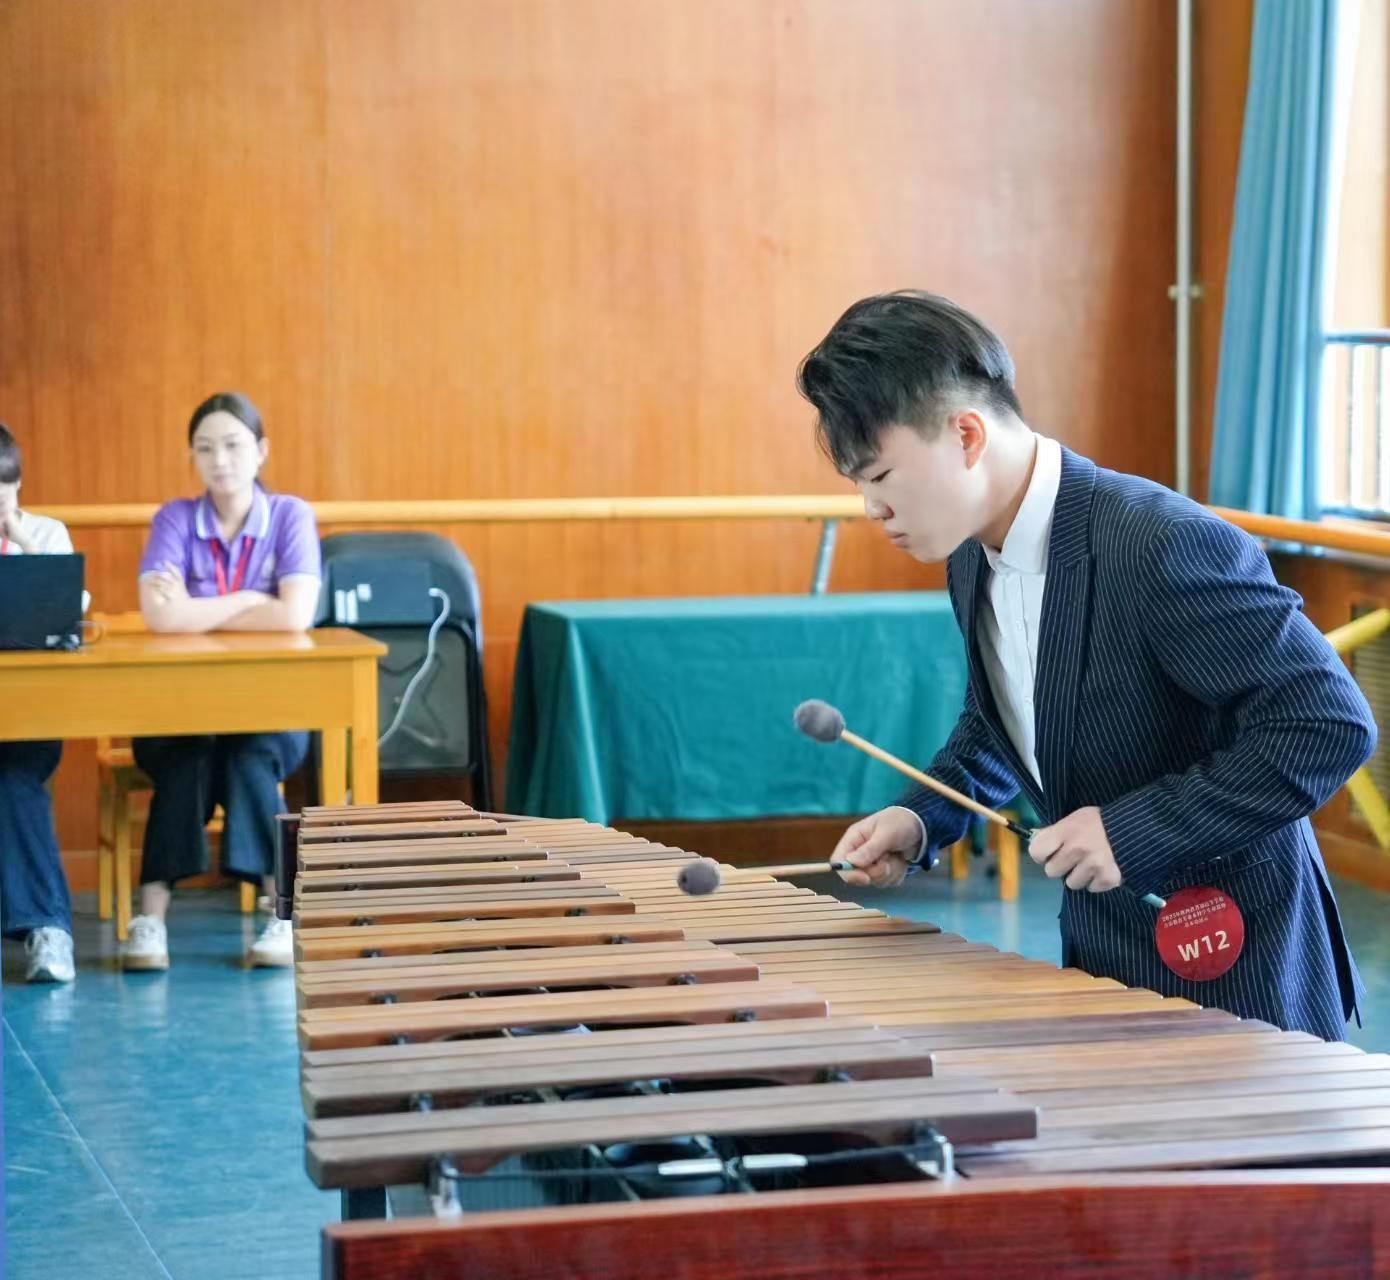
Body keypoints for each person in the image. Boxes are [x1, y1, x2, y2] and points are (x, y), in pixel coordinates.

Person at [798, 290, 1376, 1041]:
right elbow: (1005, 719)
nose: (870, 509)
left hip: (1237, 964)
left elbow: (1328, 725)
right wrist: (922, 818)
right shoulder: (969, 555)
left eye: (879, 477)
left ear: (966, 434)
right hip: (1102, 959)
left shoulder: (1161, 544)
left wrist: (1130, 832)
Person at [123, 392, 320, 972]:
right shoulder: (174, 519)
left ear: (261, 450)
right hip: (178, 707)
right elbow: (160, 617)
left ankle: (281, 916)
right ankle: (150, 923)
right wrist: (250, 599)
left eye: (233, 445)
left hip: (271, 707)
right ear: (192, 456)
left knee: (249, 753)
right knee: (186, 755)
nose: (220, 460)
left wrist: (195, 607)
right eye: (205, 448)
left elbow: (295, 615)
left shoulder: (290, 516)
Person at [0, 422, 78, 982]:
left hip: (29, 713)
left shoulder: (47, 535)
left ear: (18, 485)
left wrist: (22, 545)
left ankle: (48, 932)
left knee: (14, 776)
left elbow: (67, 612)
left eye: (2, 490)